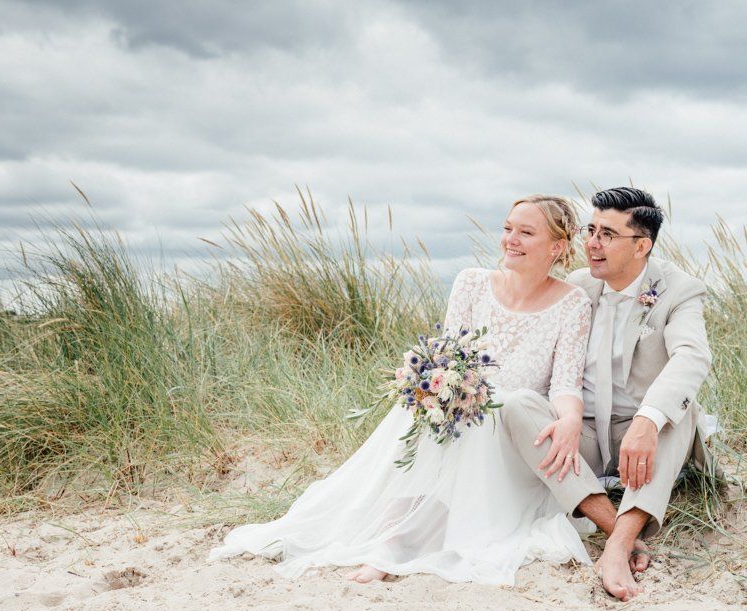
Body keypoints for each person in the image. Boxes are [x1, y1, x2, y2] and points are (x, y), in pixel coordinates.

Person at [208, 195, 595, 585]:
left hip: (511, 437)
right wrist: (433, 384)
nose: (511, 239)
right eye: (508, 228)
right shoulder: (472, 283)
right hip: (459, 417)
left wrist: (570, 420)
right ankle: (391, 541)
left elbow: (565, 383)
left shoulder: (572, 303)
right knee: (429, 407)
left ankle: (399, 544)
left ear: (556, 246)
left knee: (487, 415)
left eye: (526, 232)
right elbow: (447, 357)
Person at [500, 186, 718, 601]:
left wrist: (647, 420)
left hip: (644, 436)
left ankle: (618, 546)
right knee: (517, 405)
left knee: (681, 412)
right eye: (591, 230)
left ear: (641, 246)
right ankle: (614, 527)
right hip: (582, 433)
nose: (592, 244)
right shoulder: (577, 286)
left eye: (607, 235)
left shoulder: (679, 290)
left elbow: (692, 356)